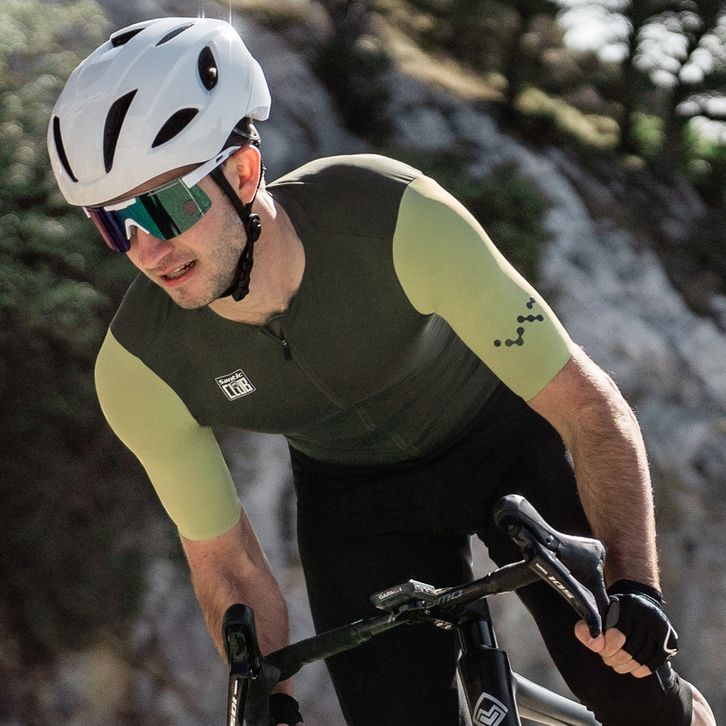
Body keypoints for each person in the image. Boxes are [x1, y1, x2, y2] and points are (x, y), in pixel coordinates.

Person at [47, 16, 715, 726]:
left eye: (165, 205)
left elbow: (588, 409)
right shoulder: (140, 370)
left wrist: (638, 588)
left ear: (241, 173)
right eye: (115, 221)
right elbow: (228, 562)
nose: (147, 250)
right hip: (359, 507)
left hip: (507, 449)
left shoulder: (395, 217)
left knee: (631, 691)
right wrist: (270, 700)